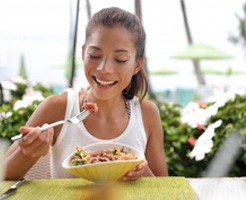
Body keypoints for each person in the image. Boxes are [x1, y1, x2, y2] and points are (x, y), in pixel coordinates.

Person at [4, 7, 168, 181]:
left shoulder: (147, 114)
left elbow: (163, 187)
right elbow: (3, 177)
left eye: (120, 59)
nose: (104, 69)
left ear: (137, 64)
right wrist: (29, 153)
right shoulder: (57, 109)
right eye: (95, 55)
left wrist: (139, 169)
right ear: (83, 54)